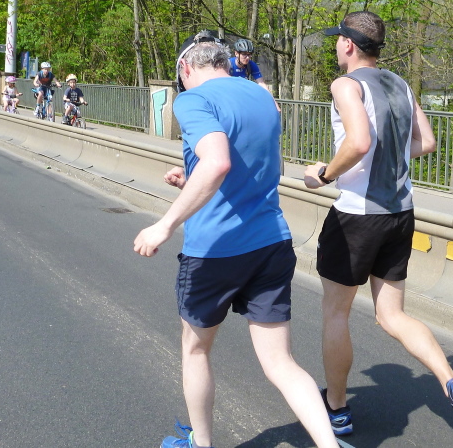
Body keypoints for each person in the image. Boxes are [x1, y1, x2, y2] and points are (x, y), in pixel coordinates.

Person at [303, 11, 453, 448]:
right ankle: (452, 382)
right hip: (400, 214)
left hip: (356, 217)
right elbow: (426, 142)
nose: (336, 46)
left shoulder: (345, 85)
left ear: (349, 44)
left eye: (337, 40)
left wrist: (323, 174)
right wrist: (386, 155)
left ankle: (336, 410)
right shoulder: (400, 84)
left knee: (335, 313)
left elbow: (358, 142)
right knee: (392, 315)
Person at [133, 31, 339, 448]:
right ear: (226, 62)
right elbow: (255, 166)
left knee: (196, 350)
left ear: (185, 68)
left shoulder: (192, 99)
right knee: (280, 362)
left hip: (215, 250)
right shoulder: (262, 97)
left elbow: (218, 163)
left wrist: (165, 224)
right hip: (270, 242)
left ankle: (201, 444)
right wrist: (191, 180)